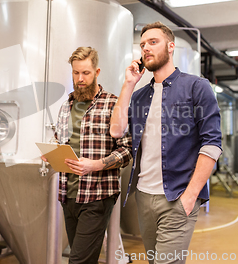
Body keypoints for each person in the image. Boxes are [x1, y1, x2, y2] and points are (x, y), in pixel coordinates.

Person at [110, 22, 222, 264]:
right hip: (144, 196)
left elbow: (212, 144)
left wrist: (190, 196)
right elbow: (117, 130)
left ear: (171, 47)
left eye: (153, 42)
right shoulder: (139, 96)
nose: (146, 49)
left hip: (177, 197)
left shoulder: (196, 87)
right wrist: (128, 84)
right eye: (142, 45)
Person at [42, 46, 132, 264]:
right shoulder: (66, 106)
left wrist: (97, 164)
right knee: (82, 258)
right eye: (76, 73)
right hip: (68, 195)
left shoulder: (113, 104)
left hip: (97, 196)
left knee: (78, 261)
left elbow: (128, 150)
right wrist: (51, 152)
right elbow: (60, 139)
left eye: (86, 73)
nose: (80, 79)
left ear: (97, 72)